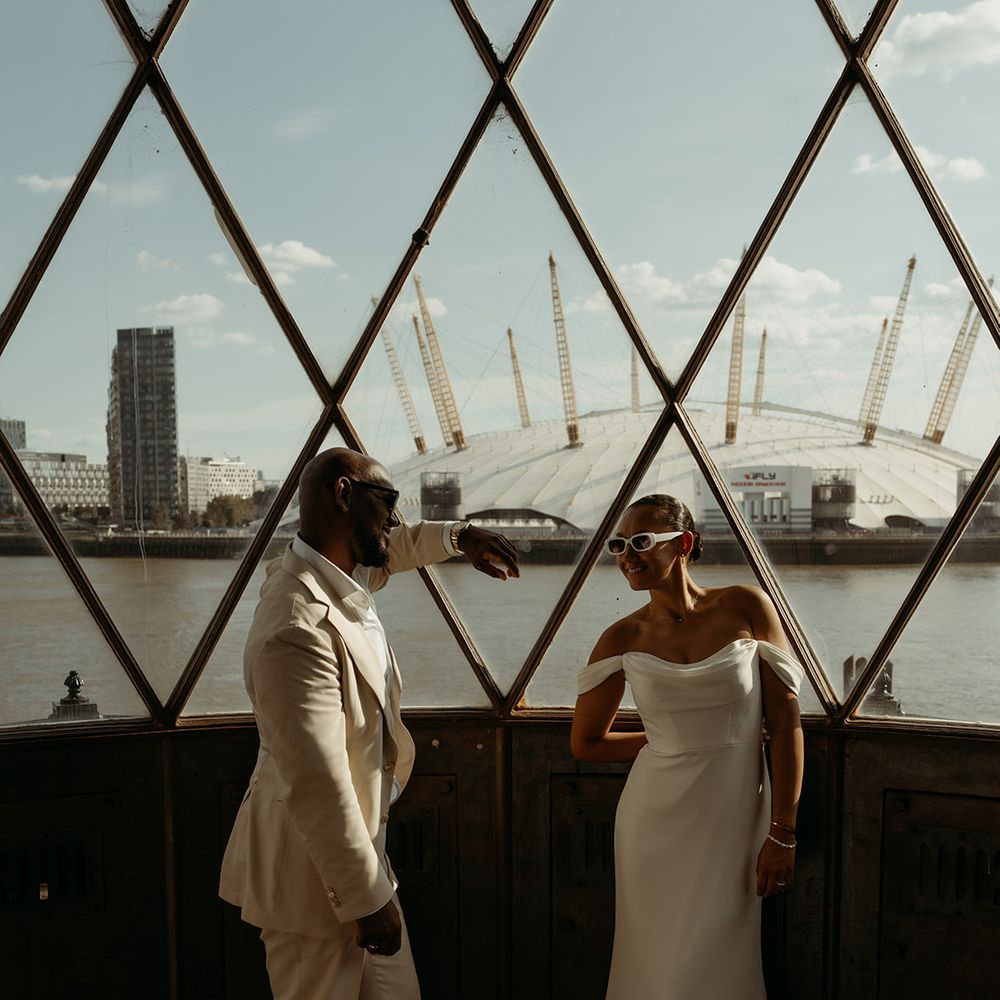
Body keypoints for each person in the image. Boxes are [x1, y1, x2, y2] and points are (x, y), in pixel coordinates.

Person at [220, 447, 519, 999]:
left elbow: (395, 548)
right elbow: (315, 779)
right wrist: (367, 900)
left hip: (357, 867)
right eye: (388, 500)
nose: (394, 516)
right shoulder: (295, 622)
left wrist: (461, 536)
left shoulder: (336, 577)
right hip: (311, 883)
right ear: (343, 495)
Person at [570, 494, 804, 999]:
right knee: (658, 967)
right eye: (618, 545)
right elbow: (585, 743)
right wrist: (664, 740)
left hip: (736, 819)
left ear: (684, 543)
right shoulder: (621, 637)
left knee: (721, 955)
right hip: (652, 823)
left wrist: (783, 830)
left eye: (641, 542)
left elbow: (786, 724)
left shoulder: (746, 605)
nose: (627, 556)